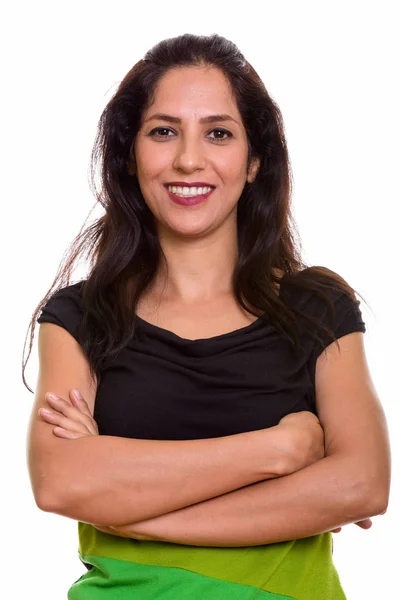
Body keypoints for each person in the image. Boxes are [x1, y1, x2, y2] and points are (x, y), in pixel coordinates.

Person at [24, 33, 391, 600]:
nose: (189, 159)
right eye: (163, 132)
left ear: (254, 161)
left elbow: (362, 486)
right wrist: (278, 452)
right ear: (130, 156)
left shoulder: (318, 309)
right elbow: (61, 483)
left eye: (218, 133)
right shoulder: (80, 317)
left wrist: (131, 513)